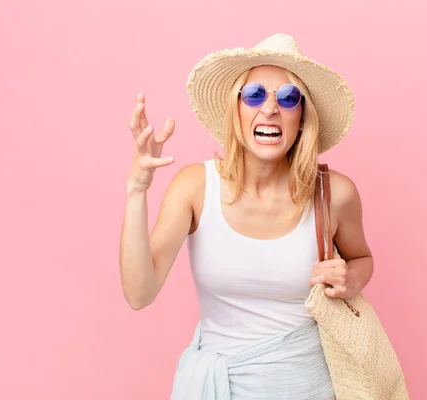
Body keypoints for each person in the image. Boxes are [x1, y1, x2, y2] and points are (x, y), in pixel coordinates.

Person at [119, 33, 374, 399]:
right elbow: (139, 294)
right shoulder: (195, 186)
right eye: (254, 94)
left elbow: (361, 258)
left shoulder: (334, 193)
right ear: (236, 109)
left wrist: (352, 280)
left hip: (308, 388)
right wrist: (136, 190)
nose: (269, 108)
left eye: (288, 98)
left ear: (301, 118)